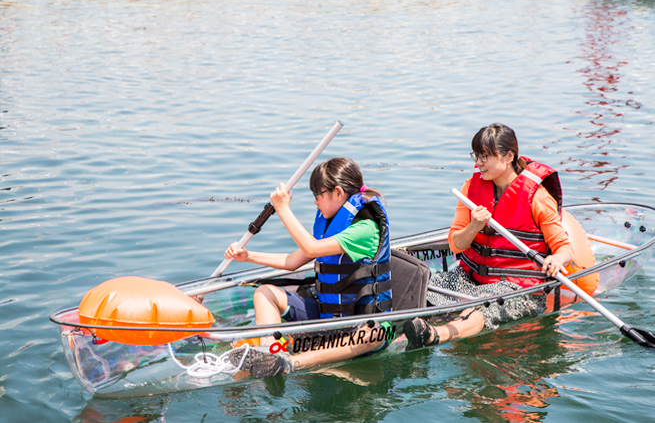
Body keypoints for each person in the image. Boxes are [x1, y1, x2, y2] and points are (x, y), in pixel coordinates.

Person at [404, 123, 574, 349]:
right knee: (424, 291)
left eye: (484, 156)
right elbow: (456, 246)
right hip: (470, 278)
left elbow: (565, 249)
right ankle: (387, 332)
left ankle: (433, 335)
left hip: (518, 286)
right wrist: (474, 226)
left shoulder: (538, 198)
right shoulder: (469, 189)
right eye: (476, 156)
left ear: (508, 156)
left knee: (485, 307)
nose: (477, 163)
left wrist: (557, 259)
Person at [224, 157, 393, 377]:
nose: (315, 203)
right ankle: (269, 352)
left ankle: (289, 364)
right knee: (264, 292)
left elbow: (312, 249)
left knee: (373, 336)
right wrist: (247, 256)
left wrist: (283, 209)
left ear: (338, 193)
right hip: (327, 316)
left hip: (362, 324)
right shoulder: (331, 224)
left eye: (317, 195)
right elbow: (292, 262)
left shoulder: (365, 229)